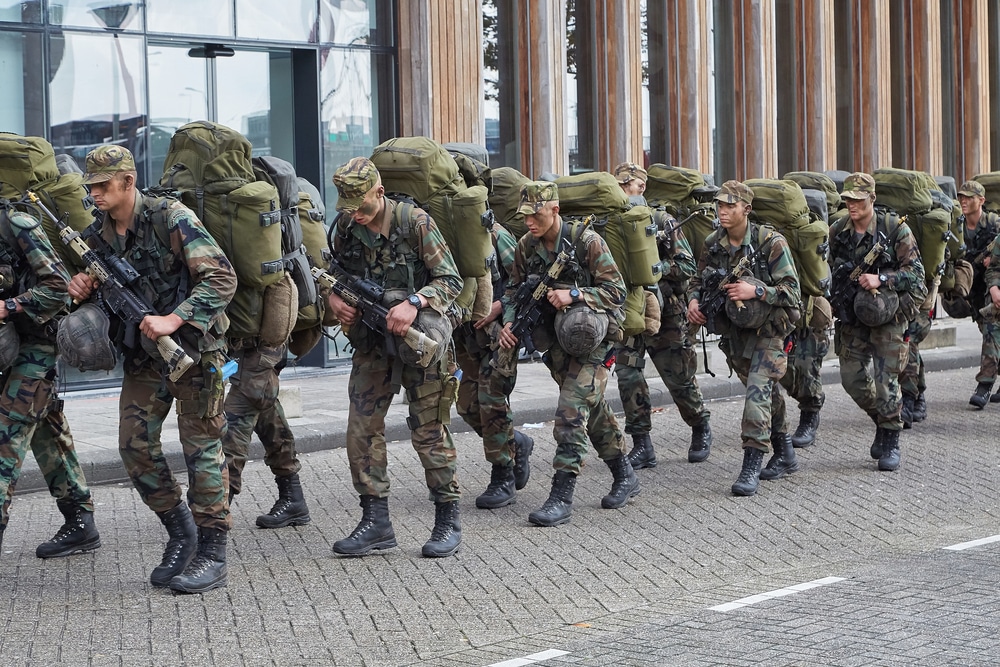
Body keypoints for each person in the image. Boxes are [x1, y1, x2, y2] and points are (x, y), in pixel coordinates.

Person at [69, 145, 237, 593]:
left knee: (201, 447)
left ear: (129, 181)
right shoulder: (97, 236)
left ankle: (212, 552)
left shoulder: (171, 218)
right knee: (134, 444)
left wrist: (174, 319)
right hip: (147, 356)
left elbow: (222, 277)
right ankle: (180, 533)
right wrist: (82, 289)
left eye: (104, 185)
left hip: (197, 350)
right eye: (91, 187)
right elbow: (106, 298)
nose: (96, 194)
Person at [326, 157, 464, 558]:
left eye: (362, 205)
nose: (356, 214)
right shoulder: (347, 227)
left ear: (379, 192)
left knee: (428, 432)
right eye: (348, 205)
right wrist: (334, 297)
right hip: (372, 343)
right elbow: (335, 274)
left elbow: (450, 280)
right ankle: (376, 523)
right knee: (362, 429)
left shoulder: (415, 223)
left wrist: (415, 301)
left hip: (422, 343)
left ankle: (447, 519)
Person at [498, 181, 639, 527]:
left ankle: (561, 496)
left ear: (555, 210)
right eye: (525, 216)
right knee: (592, 411)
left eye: (536, 215)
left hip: (596, 341)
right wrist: (510, 322)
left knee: (570, 412)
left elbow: (616, 291)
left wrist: (574, 294)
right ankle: (625, 474)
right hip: (559, 343)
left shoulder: (586, 242)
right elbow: (515, 291)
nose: (530, 222)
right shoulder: (525, 247)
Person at [687, 180, 802, 496]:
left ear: (746, 209)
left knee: (756, 392)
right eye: (720, 206)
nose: (723, 211)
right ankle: (785, 452)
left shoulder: (770, 243)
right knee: (765, 393)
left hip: (770, 332)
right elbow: (696, 280)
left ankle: (752, 463)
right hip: (735, 332)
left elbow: (794, 294)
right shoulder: (712, 243)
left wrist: (758, 290)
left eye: (729, 206)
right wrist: (694, 301)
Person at [0, 205, 100, 559]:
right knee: (46, 429)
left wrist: (8, 305)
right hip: (6, 344)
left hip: (38, 342)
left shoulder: (16, 223)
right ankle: (80, 522)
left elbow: (59, 288)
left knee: (7, 435)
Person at [609, 162, 713, 469]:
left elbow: (687, 266)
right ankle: (642, 443)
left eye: (625, 184)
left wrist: (656, 270)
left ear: (640, 187)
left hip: (667, 310)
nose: (620, 189)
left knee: (678, 377)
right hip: (630, 309)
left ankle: (700, 426)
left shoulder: (661, 220)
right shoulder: (613, 222)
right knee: (628, 376)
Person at [826, 172, 925, 471]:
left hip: (889, 315)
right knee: (851, 378)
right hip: (853, 316)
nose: (852, 205)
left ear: (872, 199)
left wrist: (882, 278)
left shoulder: (895, 230)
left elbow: (917, 275)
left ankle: (891, 438)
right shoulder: (838, 230)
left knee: (886, 381)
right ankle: (882, 420)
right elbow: (830, 269)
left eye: (858, 199)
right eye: (847, 200)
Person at [453, 220, 535, 509]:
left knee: (491, 399)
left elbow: (525, 280)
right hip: (465, 335)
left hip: (501, 333)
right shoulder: (434, 232)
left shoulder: (492, 233)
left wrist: (498, 305)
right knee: (466, 405)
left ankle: (503, 476)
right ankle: (516, 442)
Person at [223, 342, 311, 529]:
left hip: (261, 353)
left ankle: (215, 514)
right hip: (249, 352)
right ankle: (293, 498)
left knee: (233, 427)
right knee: (265, 408)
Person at [953, 180, 1000, 408]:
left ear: (981, 201)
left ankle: (984, 386)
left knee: (992, 332)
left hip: (995, 286)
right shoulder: (956, 227)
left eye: (969, 197)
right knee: (989, 334)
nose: (963, 200)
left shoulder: (994, 223)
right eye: (961, 196)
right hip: (974, 290)